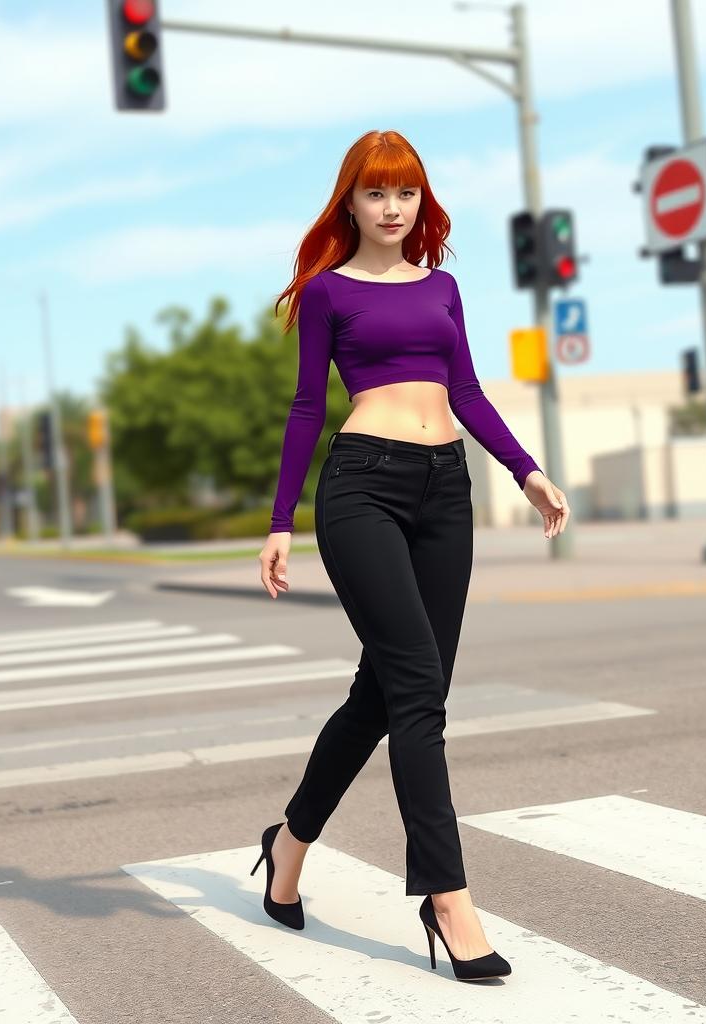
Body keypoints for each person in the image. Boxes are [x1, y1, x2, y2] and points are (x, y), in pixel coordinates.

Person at [252, 129, 570, 981]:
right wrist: (281, 519)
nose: (392, 209)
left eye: (406, 194)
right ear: (349, 203)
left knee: (384, 694)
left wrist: (527, 470)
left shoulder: (445, 288)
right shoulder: (328, 294)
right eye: (376, 194)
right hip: (362, 489)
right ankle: (447, 896)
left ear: (420, 203)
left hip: (446, 490)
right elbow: (303, 410)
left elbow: (464, 390)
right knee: (420, 693)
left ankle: (289, 841)